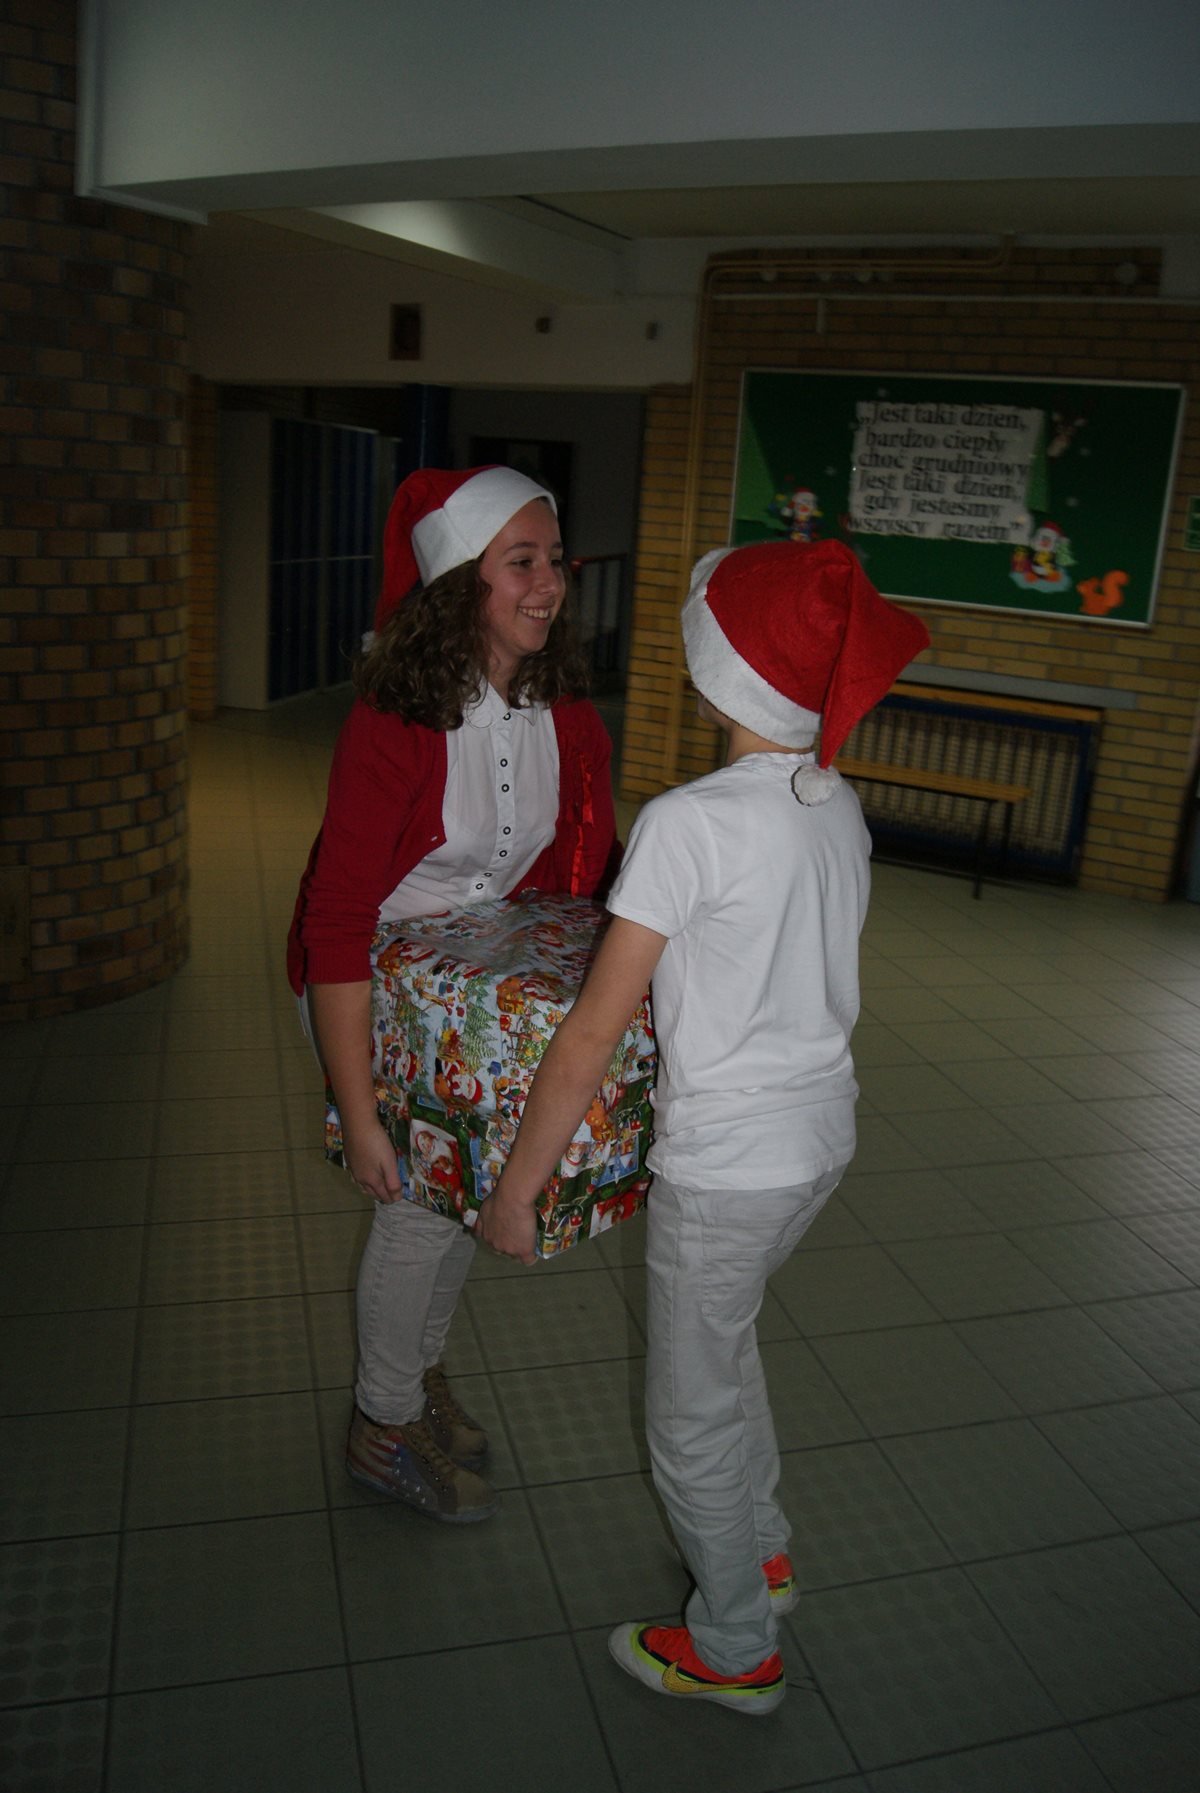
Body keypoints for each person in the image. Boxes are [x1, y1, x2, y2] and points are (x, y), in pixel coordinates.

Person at [477, 538, 928, 1711]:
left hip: (728, 1167)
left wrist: (519, 1189)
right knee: (723, 1349)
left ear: (714, 670)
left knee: (686, 1417)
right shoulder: (835, 804)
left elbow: (590, 1032)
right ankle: (761, 1549)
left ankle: (733, 1648)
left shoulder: (687, 823)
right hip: (818, 1142)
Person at [287, 464, 617, 1524]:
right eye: (521, 562)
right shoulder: (395, 719)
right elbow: (337, 919)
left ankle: (413, 1377)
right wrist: (360, 1110)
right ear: (457, 582)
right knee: (420, 1210)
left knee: (462, 1202)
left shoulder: (565, 712)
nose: (549, 583)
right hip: (369, 979)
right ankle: (381, 1422)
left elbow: (579, 882)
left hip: (474, 995)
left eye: (554, 559)